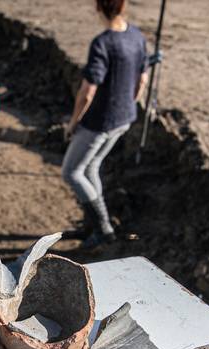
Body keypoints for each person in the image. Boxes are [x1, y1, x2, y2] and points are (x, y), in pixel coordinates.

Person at [61, 0, 148, 249]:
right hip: (124, 117)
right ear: (123, 7)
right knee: (91, 166)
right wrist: (128, 104)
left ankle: (103, 228)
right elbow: (141, 80)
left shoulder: (103, 43)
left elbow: (87, 92)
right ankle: (93, 223)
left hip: (100, 121)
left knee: (71, 172)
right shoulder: (136, 36)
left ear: (98, 7)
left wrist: (73, 123)